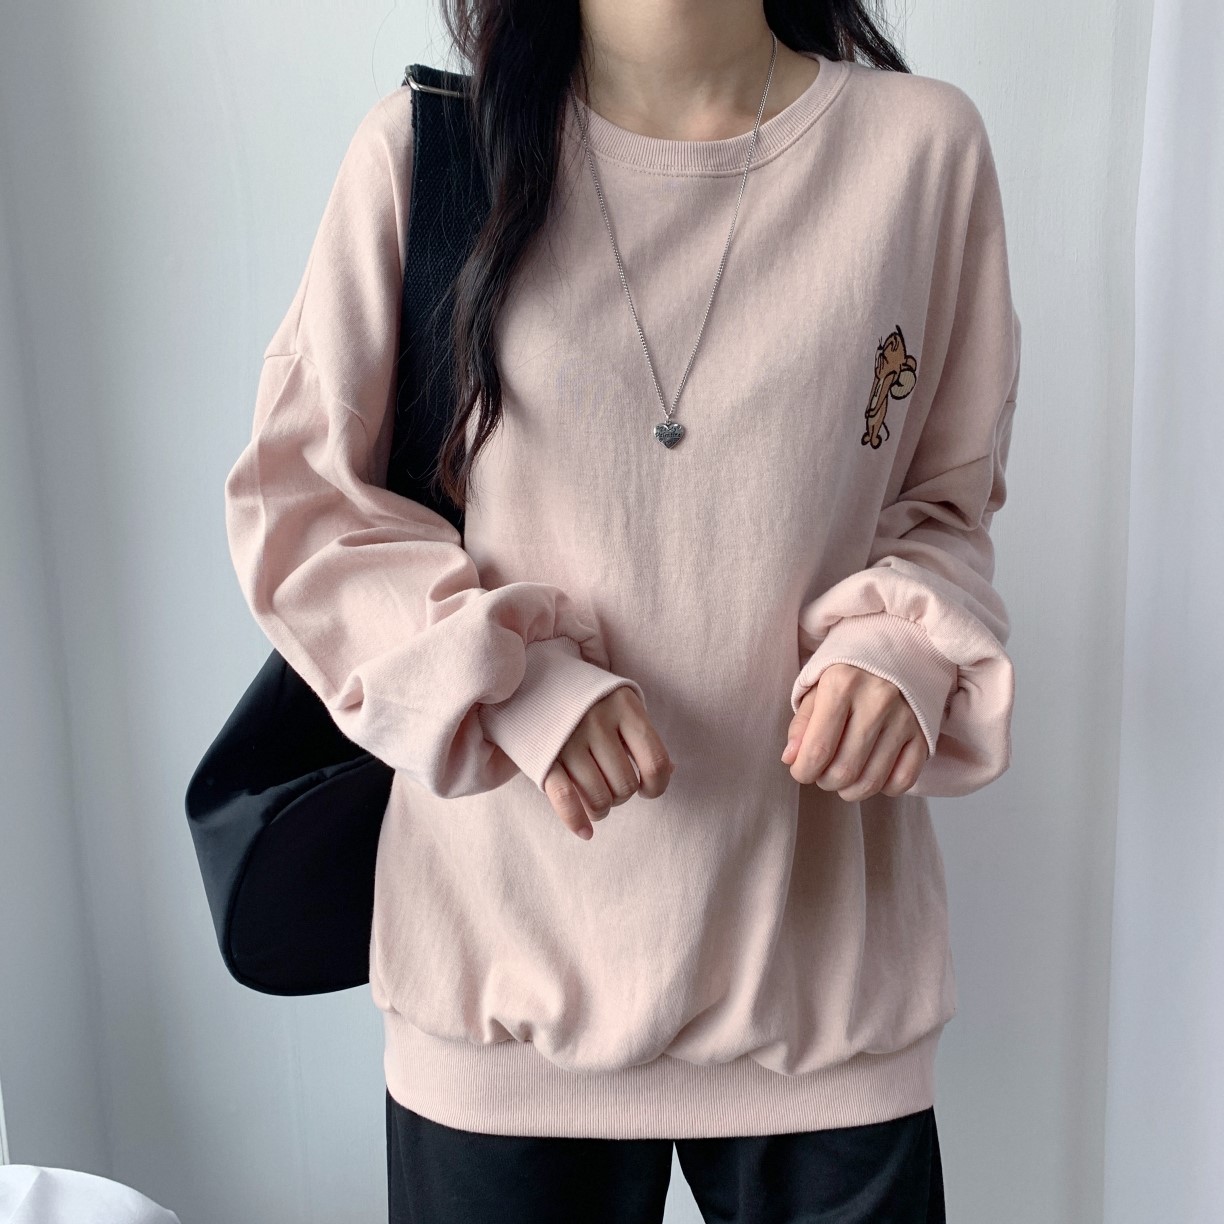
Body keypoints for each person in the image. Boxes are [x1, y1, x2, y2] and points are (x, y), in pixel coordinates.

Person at [223, 0, 1021, 1219]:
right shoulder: (432, 157)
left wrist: (897, 649)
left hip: (821, 994)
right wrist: (517, 682)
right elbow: (304, 509)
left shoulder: (921, 153)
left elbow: (944, 505)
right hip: (502, 994)